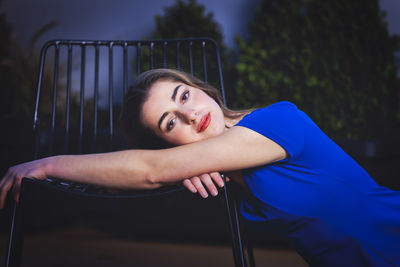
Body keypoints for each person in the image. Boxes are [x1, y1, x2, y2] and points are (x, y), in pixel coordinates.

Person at [1, 68, 399, 266]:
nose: (191, 114)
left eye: (184, 95)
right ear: (168, 145)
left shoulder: (278, 121)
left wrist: (46, 164)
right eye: (171, 122)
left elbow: (149, 170)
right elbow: (147, 174)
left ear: (203, 90)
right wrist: (186, 165)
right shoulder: (228, 171)